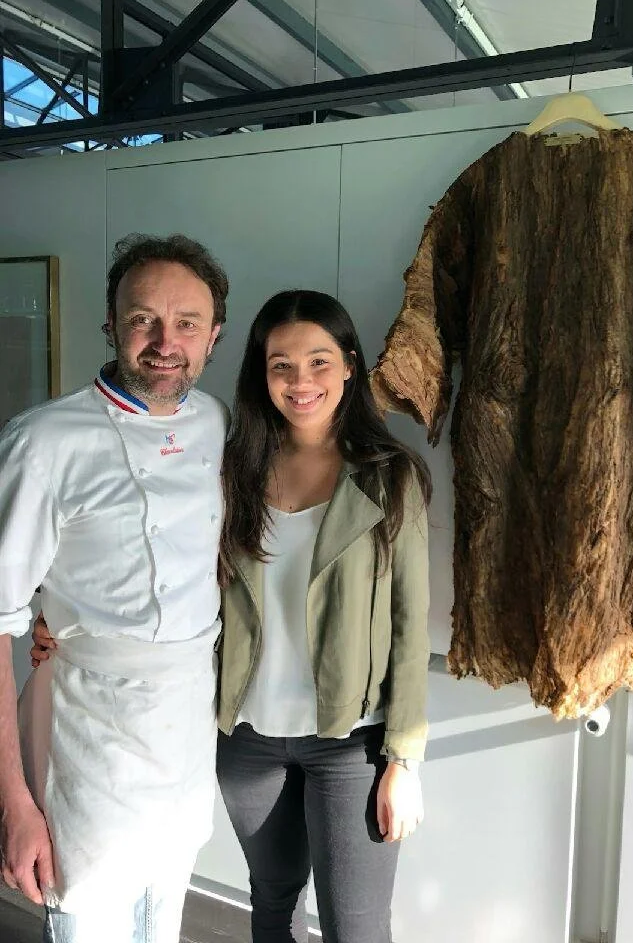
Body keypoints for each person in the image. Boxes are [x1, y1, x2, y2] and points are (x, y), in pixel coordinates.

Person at [0, 233, 229, 943]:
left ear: (214, 336)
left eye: (187, 323)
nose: (166, 342)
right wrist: (14, 807)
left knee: (163, 923)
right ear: (111, 325)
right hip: (90, 744)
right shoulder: (42, 442)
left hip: (187, 737)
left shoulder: (215, 422)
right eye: (143, 319)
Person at [214, 289, 431, 943]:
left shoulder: (389, 477)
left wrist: (404, 760)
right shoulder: (233, 470)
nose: (299, 381)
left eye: (317, 361)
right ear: (262, 373)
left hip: (352, 741)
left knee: (355, 929)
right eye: (281, 364)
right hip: (247, 736)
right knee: (272, 906)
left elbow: (409, 627)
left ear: (347, 366)